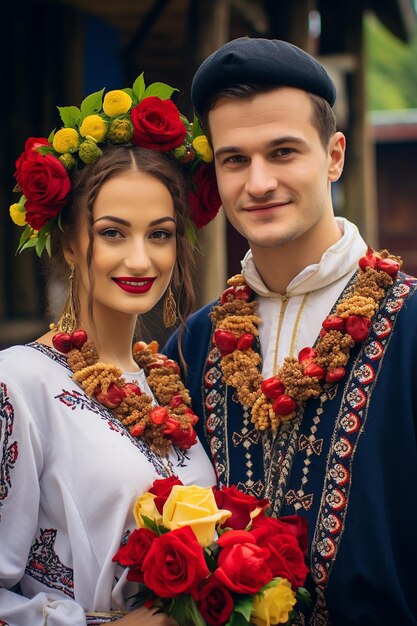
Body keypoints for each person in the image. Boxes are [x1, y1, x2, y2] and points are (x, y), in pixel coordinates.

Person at [163, 37, 417, 625]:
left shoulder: (411, 325)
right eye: (235, 159)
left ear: (334, 155)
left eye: (282, 152)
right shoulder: (189, 346)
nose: (257, 183)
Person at [0, 75, 221, 625]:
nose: (142, 260)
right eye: (114, 233)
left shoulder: (166, 378)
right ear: (71, 242)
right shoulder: (21, 383)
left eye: (161, 234)